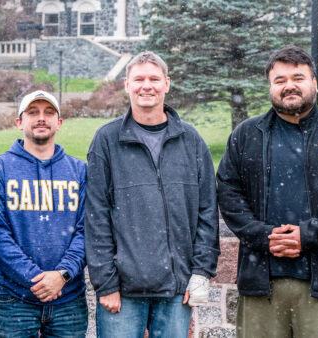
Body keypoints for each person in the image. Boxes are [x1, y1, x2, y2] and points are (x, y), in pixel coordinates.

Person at [216, 45, 318, 337]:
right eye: (280, 80)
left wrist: (308, 235)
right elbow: (228, 194)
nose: (289, 85)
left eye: (298, 77)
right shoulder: (246, 136)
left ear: (313, 82)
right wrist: (263, 235)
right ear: (270, 87)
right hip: (261, 286)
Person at [85, 51, 220, 338]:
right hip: (123, 291)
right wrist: (105, 283)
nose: (147, 86)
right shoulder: (107, 140)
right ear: (127, 85)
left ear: (167, 84)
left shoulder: (191, 141)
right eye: (139, 79)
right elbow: (96, 216)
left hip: (176, 288)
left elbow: (208, 211)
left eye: (154, 79)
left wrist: (201, 272)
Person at [0, 90, 88, 337]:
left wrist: (62, 275)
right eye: (33, 112)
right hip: (14, 301)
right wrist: (36, 279)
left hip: (69, 301)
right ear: (19, 122)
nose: (41, 118)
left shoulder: (79, 171)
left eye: (49, 113)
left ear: (59, 123)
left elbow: (89, 230)